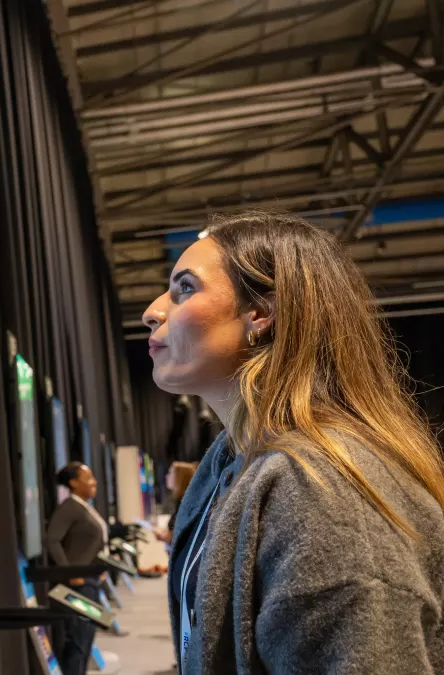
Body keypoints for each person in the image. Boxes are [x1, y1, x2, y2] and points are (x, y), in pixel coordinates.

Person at [141, 211, 444, 674]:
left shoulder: (323, 488)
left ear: (261, 313)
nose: (152, 311)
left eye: (185, 288)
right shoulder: (231, 465)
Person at [46, 461, 108, 675]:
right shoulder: (69, 508)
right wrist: (68, 572)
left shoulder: (83, 506)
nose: (94, 482)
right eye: (88, 478)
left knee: (86, 637)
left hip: (90, 581)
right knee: (78, 640)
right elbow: (52, 540)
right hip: (78, 584)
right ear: (73, 483)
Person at [156, 461, 196, 545]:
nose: (167, 476)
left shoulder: (186, 505)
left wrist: (166, 537)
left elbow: (184, 538)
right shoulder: (180, 502)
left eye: (170, 473)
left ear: (179, 478)